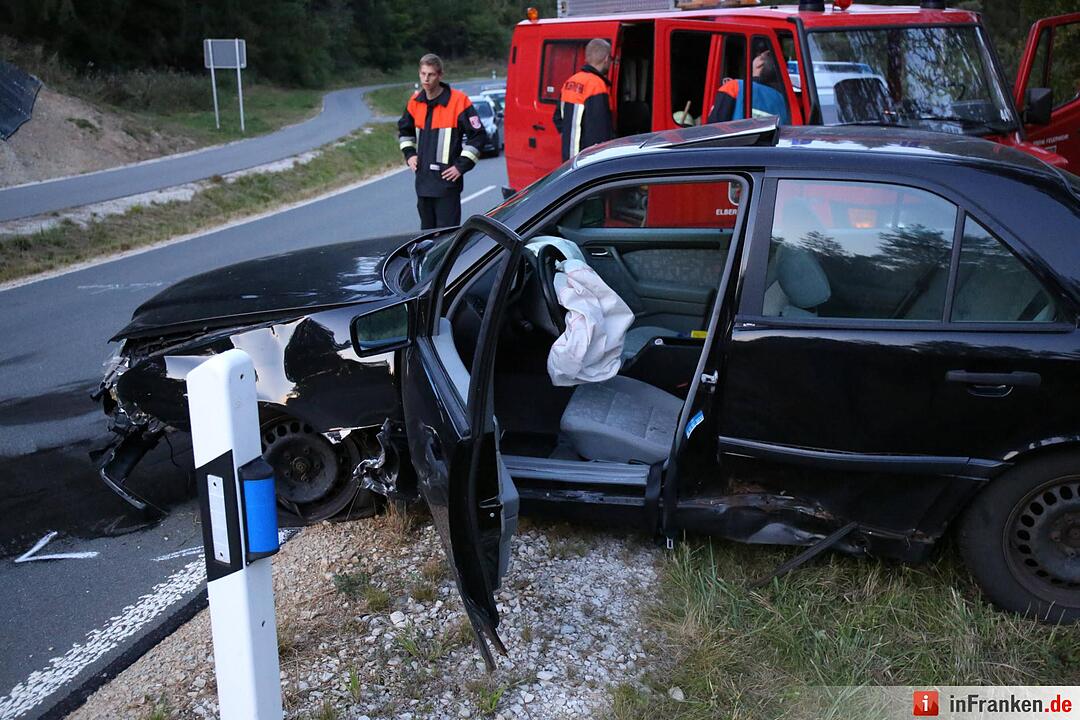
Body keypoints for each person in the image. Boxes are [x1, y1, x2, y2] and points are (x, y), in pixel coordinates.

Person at [398, 54, 486, 230]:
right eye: (423, 74)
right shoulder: (415, 102)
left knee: (446, 236)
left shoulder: (458, 101)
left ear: (440, 75)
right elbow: (405, 131)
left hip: (447, 184)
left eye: (431, 74)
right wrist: (410, 155)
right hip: (423, 182)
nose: (426, 79)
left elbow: (478, 136)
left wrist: (461, 166)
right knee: (426, 236)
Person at [553, 38, 614, 161]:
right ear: (606, 59)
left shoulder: (570, 82)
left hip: (569, 159)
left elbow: (557, 118)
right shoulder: (597, 85)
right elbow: (600, 130)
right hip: (586, 160)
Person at [707, 46, 791, 125]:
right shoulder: (783, 100)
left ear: (760, 63)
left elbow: (713, 126)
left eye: (758, 56)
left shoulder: (733, 87)